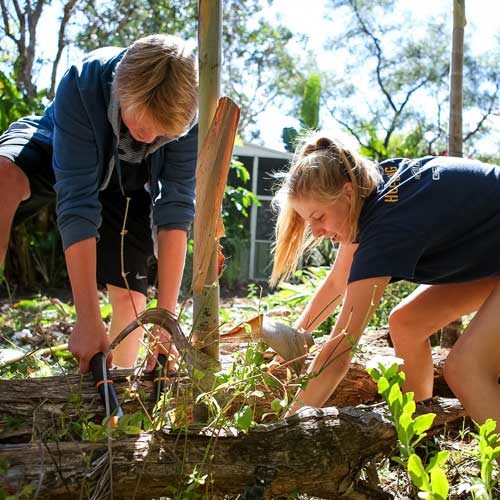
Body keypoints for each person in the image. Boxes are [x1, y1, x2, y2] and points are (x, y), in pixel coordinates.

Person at [271, 131, 500, 426]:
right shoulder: (372, 189)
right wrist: (295, 341)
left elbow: (340, 350)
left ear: (347, 193)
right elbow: (338, 283)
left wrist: (283, 427)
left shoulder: (385, 228)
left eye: (319, 217)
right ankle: (416, 436)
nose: (315, 232)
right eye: (307, 221)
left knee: (466, 368)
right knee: (407, 323)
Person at [0, 34, 198, 373]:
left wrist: (167, 321)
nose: (149, 138)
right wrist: (87, 319)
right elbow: (77, 201)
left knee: (131, 298)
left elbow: (175, 210)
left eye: (161, 133)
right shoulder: (85, 81)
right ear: (120, 89)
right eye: (141, 125)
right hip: (60, 147)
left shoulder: (188, 115)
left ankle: (117, 398)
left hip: (129, 178)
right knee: (2, 178)